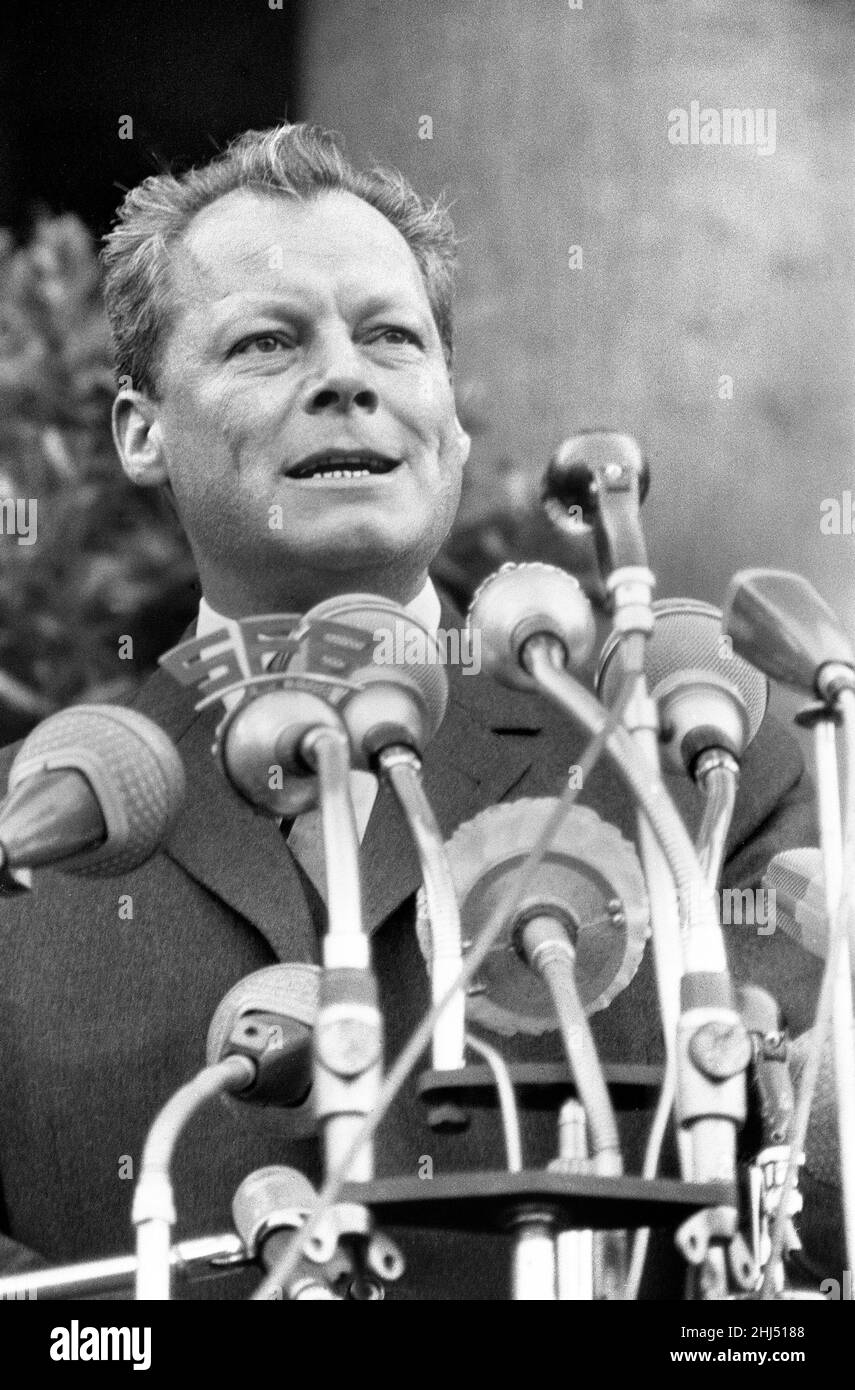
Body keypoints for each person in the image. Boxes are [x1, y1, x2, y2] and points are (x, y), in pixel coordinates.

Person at [0, 123, 835, 1299]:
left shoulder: (691, 767)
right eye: (267, 341)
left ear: (453, 423)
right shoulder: (29, 834)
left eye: (391, 337)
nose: (346, 376)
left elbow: (812, 1229)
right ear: (141, 430)